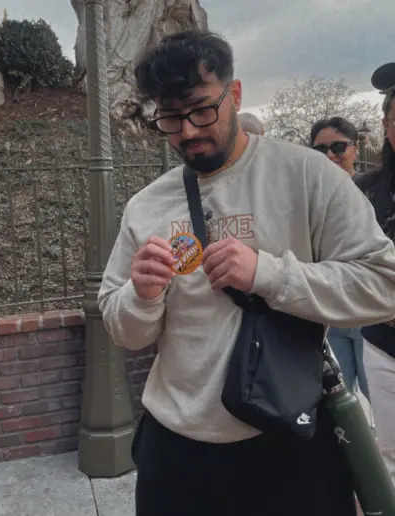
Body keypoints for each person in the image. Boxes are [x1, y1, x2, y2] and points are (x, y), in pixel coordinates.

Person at [99, 31, 395, 516]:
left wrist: (268, 275)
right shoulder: (146, 206)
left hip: (290, 440)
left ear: (234, 94)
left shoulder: (307, 176)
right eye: (170, 118)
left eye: (201, 109)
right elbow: (125, 331)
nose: (187, 131)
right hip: (174, 450)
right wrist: (141, 295)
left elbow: (384, 284)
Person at [310, 117, 370, 402]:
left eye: (338, 147)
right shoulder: (310, 198)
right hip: (332, 312)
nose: (330, 155)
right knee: (341, 401)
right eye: (321, 149)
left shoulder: (374, 190)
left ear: (355, 149)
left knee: (378, 397)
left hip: (372, 313)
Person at [356, 62, 395, 483]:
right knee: (390, 453)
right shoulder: (365, 191)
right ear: (386, 125)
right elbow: (347, 262)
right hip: (384, 345)